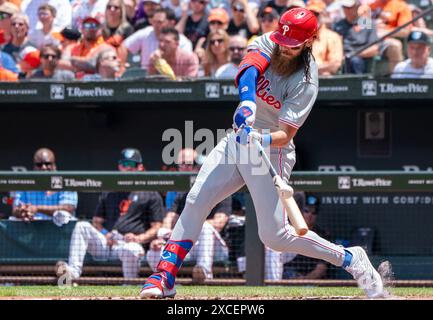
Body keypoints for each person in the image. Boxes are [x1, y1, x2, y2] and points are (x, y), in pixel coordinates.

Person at [139, 7, 384, 299]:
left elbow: (286, 135)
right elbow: (249, 69)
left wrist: (260, 137)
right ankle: (164, 275)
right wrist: (247, 103)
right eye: (283, 40)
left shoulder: (305, 81)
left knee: (275, 237)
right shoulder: (272, 39)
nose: (284, 47)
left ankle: (350, 258)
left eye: (292, 45)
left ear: (309, 42)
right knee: (196, 199)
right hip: (238, 139)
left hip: (271, 151)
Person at [56, 148, 164, 281]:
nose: (128, 168)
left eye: (132, 165)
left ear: (140, 167)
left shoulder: (150, 192)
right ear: (120, 166)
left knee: (132, 249)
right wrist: (105, 234)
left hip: (130, 245)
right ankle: (73, 272)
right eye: (125, 164)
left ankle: (130, 285)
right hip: (108, 244)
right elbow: (96, 222)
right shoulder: (110, 190)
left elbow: (157, 226)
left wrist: (139, 238)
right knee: (82, 226)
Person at [146, 148, 230, 283]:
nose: (198, 170)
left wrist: (189, 226)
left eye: (199, 167)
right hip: (191, 245)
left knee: (205, 227)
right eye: (197, 167)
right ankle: (168, 283)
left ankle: (204, 275)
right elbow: (169, 219)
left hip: (215, 248)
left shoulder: (221, 190)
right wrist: (164, 236)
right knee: (154, 250)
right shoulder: (182, 195)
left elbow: (219, 223)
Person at [12, 148, 78, 221]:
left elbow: (68, 208)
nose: (43, 167)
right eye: (39, 165)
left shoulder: (65, 182)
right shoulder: (25, 183)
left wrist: (37, 208)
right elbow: (15, 209)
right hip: (32, 228)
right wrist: (22, 211)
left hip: (60, 229)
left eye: (47, 164)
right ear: (34, 167)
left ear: (54, 166)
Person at [283, 192, 330, 279]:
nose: (310, 215)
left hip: (311, 281)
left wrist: (304, 280)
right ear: (300, 212)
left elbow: (321, 268)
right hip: (288, 277)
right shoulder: (290, 231)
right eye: (307, 211)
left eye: (314, 212)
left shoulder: (322, 235)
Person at [333, 0, 379, 74]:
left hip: (362, 59)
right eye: (344, 7)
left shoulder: (368, 23)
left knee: (355, 61)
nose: (346, 10)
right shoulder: (338, 25)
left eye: (350, 7)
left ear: (357, 7)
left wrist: (354, 54)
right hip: (342, 57)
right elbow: (333, 45)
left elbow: (374, 48)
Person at [369, 0, 412, 73]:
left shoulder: (401, 6)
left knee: (395, 46)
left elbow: (405, 31)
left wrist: (385, 32)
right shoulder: (371, 5)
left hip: (386, 40)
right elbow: (361, 24)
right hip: (368, 39)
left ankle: (396, 80)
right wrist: (373, 25)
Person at [307, 0, 343, 76]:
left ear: (324, 15)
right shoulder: (300, 35)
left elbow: (335, 65)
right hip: (301, 78)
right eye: (310, 15)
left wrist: (313, 69)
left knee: (326, 74)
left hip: (322, 80)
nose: (313, 18)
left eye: (316, 14)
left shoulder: (333, 37)